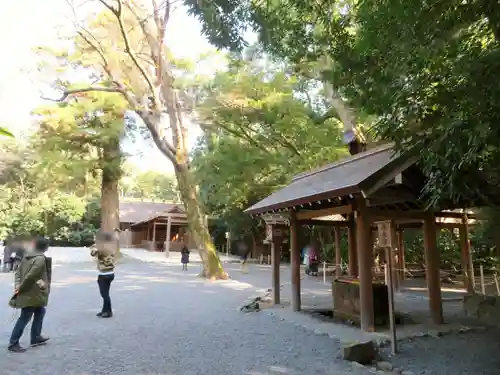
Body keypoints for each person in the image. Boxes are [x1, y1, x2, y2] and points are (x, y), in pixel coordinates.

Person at [8, 237, 51, 353]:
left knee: (40, 311)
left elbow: (18, 273)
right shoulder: (40, 259)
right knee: (25, 317)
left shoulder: (27, 256)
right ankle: (13, 342)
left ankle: (36, 337)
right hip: (33, 293)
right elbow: (31, 277)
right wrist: (21, 289)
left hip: (30, 291)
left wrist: (18, 287)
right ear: (46, 248)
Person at [90, 232, 116, 318]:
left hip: (104, 275)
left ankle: (108, 312)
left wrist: (94, 245)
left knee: (104, 295)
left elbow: (93, 253)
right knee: (106, 294)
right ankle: (105, 311)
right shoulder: (111, 247)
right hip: (111, 273)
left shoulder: (102, 249)